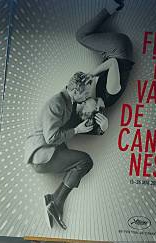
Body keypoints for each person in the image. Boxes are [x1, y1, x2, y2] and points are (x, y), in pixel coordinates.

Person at [24, 72, 109, 230]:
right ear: (75, 91)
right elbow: (51, 138)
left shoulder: (69, 102)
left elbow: (79, 125)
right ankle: (56, 201)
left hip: (51, 150)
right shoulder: (57, 103)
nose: (86, 97)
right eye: (84, 93)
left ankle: (54, 200)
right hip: (42, 155)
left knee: (80, 162)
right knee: (85, 161)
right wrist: (76, 130)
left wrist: (102, 129)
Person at [77, 0, 134, 108]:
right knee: (81, 36)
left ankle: (114, 7)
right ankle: (113, 5)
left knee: (85, 39)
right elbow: (112, 63)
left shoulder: (101, 97)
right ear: (96, 111)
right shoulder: (110, 93)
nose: (84, 102)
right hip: (119, 50)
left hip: (115, 53)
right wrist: (92, 74)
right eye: (84, 106)